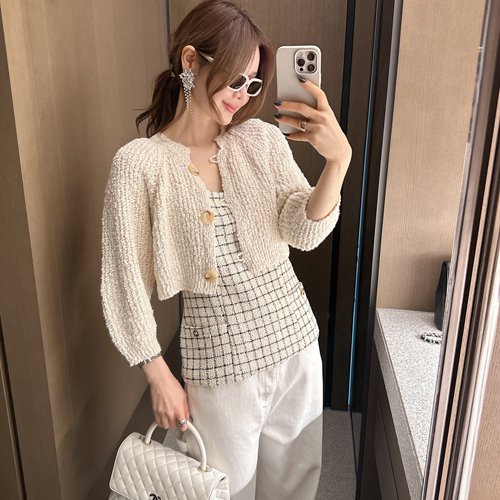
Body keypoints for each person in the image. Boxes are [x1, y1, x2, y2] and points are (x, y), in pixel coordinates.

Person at [100, 1, 352, 498]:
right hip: (220, 368)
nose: (244, 95)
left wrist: (337, 162)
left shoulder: (260, 140)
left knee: (296, 484)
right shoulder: (139, 165)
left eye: (254, 85)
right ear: (190, 60)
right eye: (237, 79)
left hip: (297, 349)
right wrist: (157, 373)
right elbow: (123, 281)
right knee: (225, 491)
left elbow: (302, 230)